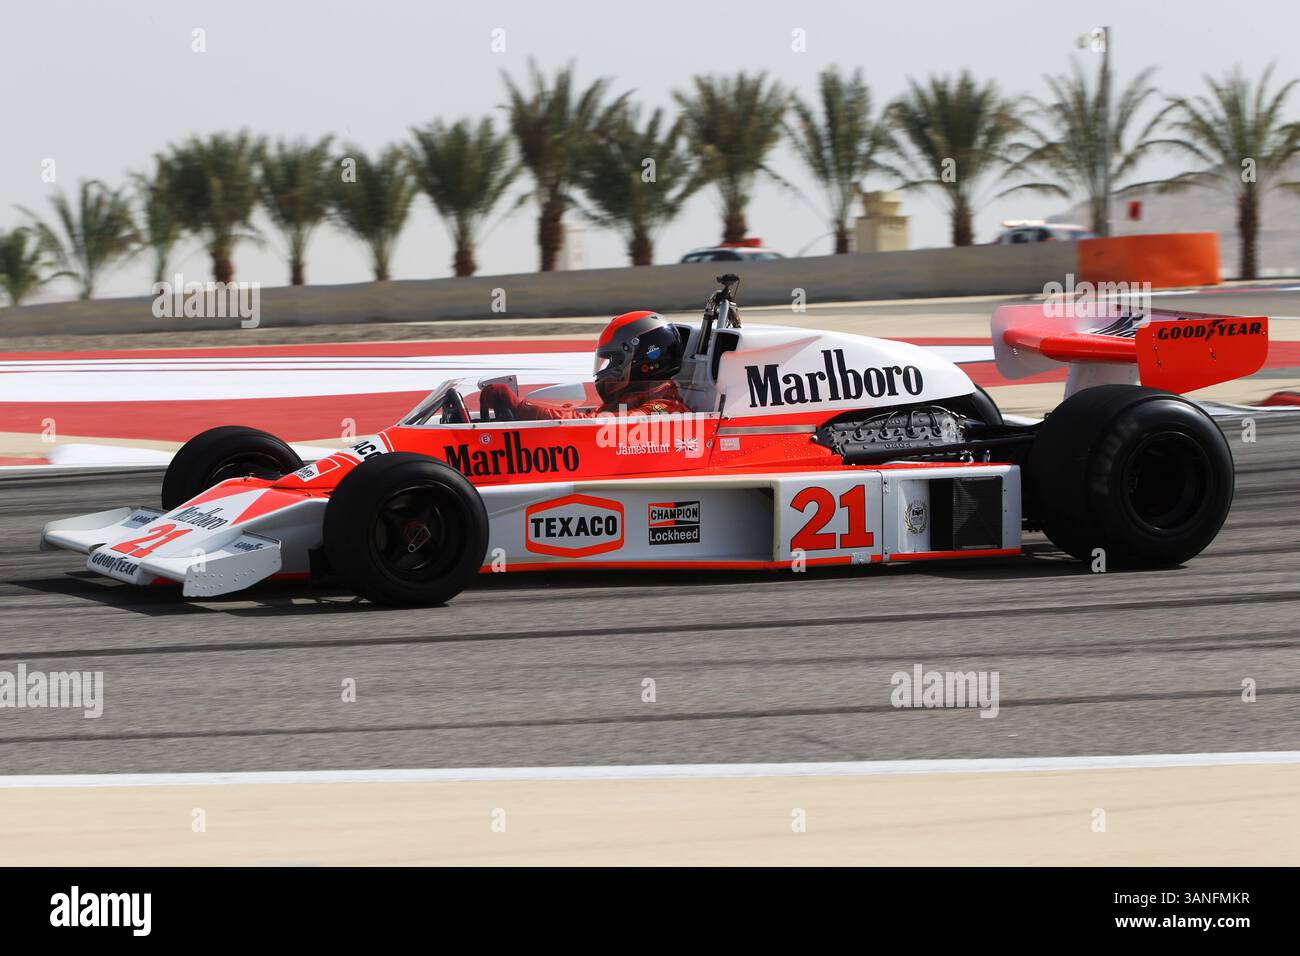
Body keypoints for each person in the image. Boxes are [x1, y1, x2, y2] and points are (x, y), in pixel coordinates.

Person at [479, 311, 691, 421]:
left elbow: (594, 425)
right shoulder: (627, 401)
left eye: (614, 361)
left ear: (642, 362)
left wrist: (521, 408)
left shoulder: (662, 409)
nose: (607, 369)